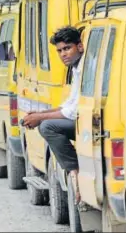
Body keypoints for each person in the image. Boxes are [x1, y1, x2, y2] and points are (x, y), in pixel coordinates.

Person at [22, 26, 84, 204]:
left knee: (48, 126)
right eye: (60, 51)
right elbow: (69, 103)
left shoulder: (84, 66)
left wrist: (40, 118)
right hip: (79, 118)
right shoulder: (75, 68)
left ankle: (74, 169)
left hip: (88, 121)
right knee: (44, 121)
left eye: (67, 48)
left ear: (79, 47)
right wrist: (41, 113)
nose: (63, 54)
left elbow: (73, 112)